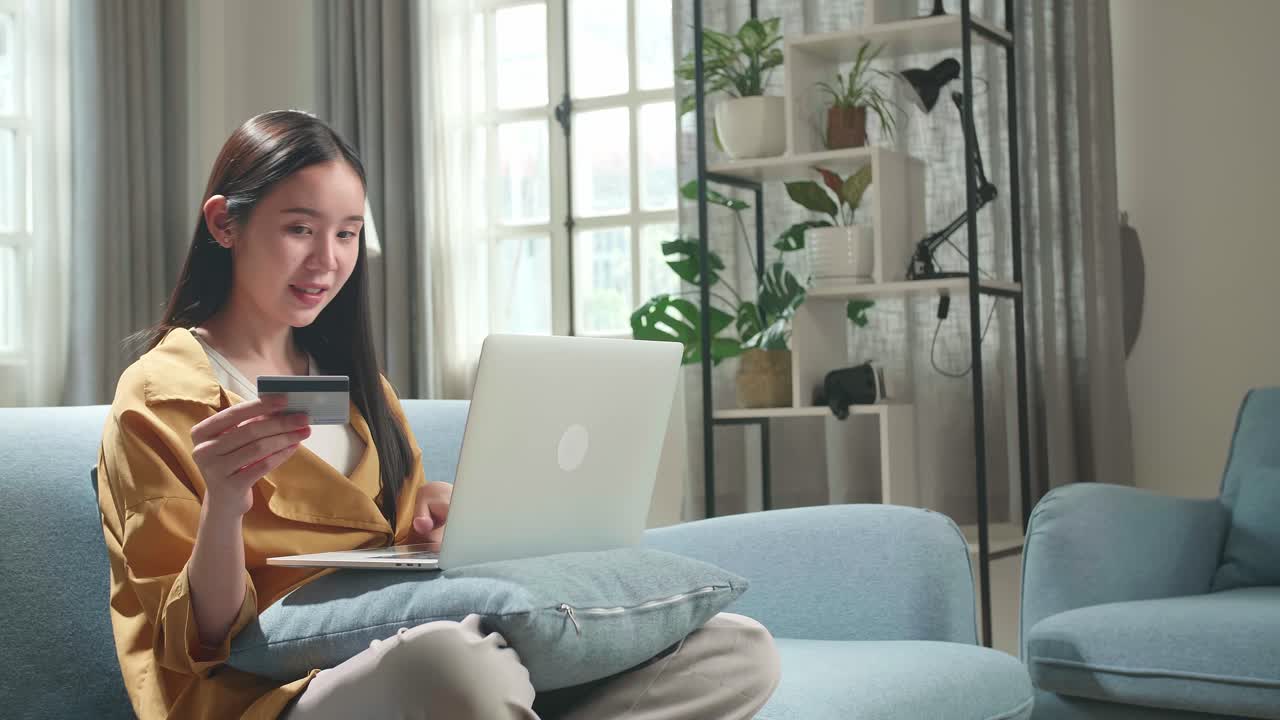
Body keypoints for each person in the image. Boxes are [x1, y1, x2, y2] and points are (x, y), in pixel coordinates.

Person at [97, 110, 781, 720]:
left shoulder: (360, 390)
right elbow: (198, 640)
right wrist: (224, 504)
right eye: (299, 229)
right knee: (458, 663)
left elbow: (384, 553)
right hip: (263, 692)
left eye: (347, 234)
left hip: (402, 655)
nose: (327, 261)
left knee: (735, 650)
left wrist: (434, 525)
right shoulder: (164, 396)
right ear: (224, 222)